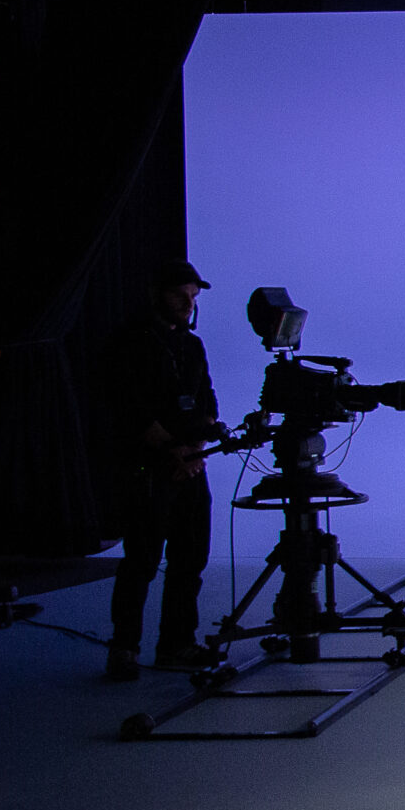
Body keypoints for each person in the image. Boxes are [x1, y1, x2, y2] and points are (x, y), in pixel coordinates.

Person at [105, 260, 226, 680]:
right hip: (149, 469)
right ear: (159, 293)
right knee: (141, 560)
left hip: (189, 468)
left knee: (189, 560)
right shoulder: (130, 343)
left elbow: (207, 402)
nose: (188, 303)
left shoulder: (192, 347)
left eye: (193, 296)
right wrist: (177, 452)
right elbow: (130, 409)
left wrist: (195, 447)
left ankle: (177, 643)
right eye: (181, 294)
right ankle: (124, 647)